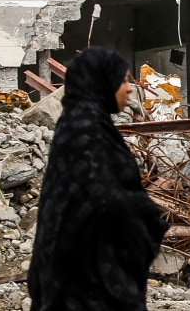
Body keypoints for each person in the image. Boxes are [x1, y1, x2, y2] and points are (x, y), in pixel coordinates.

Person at [28, 47, 169, 310]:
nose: (129, 89)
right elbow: (114, 206)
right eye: (122, 80)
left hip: (68, 283)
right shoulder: (90, 136)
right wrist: (150, 219)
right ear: (102, 82)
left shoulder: (76, 126)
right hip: (91, 289)